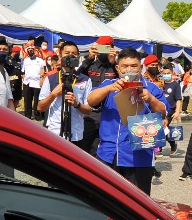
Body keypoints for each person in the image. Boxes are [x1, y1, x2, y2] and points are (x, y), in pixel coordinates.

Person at [86, 48, 168, 195]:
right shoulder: (109, 83)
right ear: (118, 68)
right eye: (124, 66)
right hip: (108, 154)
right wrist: (109, 89)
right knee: (107, 200)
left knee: (138, 204)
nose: (129, 69)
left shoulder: (151, 88)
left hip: (139, 156)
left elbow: (163, 112)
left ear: (141, 67)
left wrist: (150, 99)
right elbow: (91, 100)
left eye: (134, 66)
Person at [37, 41, 92, 150]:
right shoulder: (50, 78)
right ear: (60, 56)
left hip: (76, 133)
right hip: (55, 132)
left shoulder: (85, 80)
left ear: (78, 57)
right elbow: (40, 107)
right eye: (67, 53)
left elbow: (89, 110)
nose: (70, 56)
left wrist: (77, 104)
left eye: (74, 53)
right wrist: (53, 94)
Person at [76, 36, 120, 155]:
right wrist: (89, 58)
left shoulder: (115, 67)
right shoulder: (90, 65)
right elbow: (76, 77)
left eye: (107, 48)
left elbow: (124, 80)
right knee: (83, 148)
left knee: (103, 149)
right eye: (101, 48)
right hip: (89, 113)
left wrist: (114, 62)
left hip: (109, 113)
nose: (104, 51)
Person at [159, 62, 183, 156]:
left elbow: (178, 100)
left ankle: (162, 147)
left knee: (163, 128)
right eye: (164, 74)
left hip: (171, 110)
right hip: (161, 109)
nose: (165, 75)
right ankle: (170, 144)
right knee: (163, 129)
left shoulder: (175, 85)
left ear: (172, 73)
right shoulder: (161, 83)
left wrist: (177, 111)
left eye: (167, 73)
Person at [21, 42, 46, 120]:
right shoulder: (25, 60)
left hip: (37, 83)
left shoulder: (40, 60)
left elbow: (43, 70)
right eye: (29, 50)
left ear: (35, 50)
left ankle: (37, 115)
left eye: (32, 50)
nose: (31, 51)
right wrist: (23, 76)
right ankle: (27, 115)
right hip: (27, 82)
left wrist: (42, 78)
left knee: (37, 100)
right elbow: (23, 71)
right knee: (27, 100)